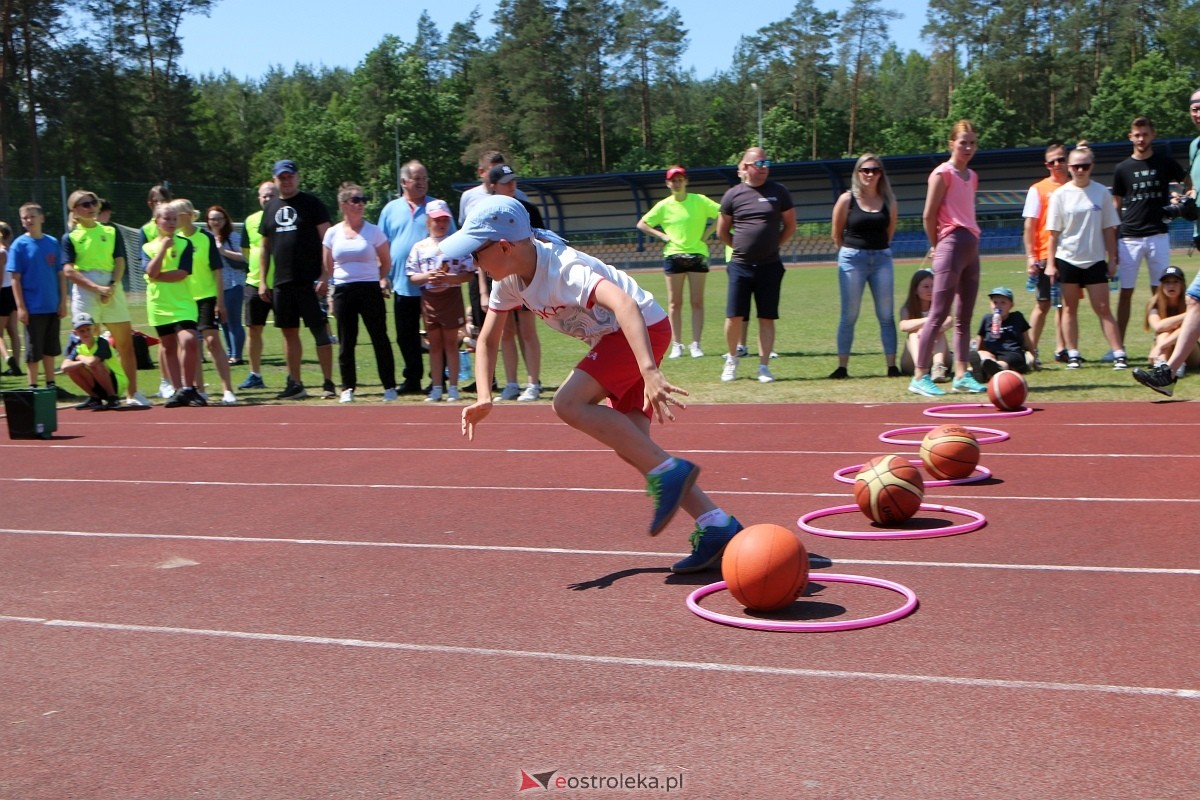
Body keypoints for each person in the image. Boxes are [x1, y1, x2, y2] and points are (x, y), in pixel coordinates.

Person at [450, 196, 742, 573]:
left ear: (504, 246)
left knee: (567, 403)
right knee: (635, 447)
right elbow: (488, 340)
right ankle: (716, 525)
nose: (473, 263)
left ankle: (672, 472)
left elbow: (624, 304)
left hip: (641, 330)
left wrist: (650, 371)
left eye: (476, 253)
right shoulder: (509, 283)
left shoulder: (564, 269)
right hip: (620, 339)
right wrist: (485, 397)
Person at [908, 120, 987, 397]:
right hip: (950, 245)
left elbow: (967, 210)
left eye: (972, 143)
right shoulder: (942, 174)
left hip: (971, 245)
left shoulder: (972, 176)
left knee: (964, 315)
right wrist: (937, 245)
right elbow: (928, 215)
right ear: (951, 143)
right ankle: (920, 375)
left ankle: (962, 374)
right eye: (963, 142)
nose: (967, 147)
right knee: (938, 313)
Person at [60, 189, 149, 407]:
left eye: (93, 203)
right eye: (85, 204)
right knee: (85, 345)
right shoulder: (70, 237)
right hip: (85, 289)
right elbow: (69, 270)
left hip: (111, 287)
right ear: (75, 211)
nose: (91, 208)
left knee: (125, 343)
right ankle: (96, 394)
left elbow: (120, 261)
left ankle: (132, 392)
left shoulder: (111, 231)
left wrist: (111, 286)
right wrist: (95, 287)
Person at [716, 146, 796, 383]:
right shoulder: (733, 194)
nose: (764, 168)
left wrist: (773, 246)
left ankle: (764, 366)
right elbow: (722, 231)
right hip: (740, 264)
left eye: (766, 164)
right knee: (734, 316)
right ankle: (732, 360)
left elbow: (790, 226)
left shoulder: (779, 192)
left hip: (770, 265)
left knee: (767, 317)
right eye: (759, 164)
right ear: (746, 167)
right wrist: (741, 248)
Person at [258, 159, 336, 400]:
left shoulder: (312, 204)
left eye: (290, 176)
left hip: (310, 282)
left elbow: (329, 241)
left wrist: (325, 276)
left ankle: (328, 383)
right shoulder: (270, 208)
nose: (287, 180)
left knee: (319, 331)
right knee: (288, 332)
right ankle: (295, 383)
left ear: (297, 177)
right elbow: (265, 247)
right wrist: (263, 280)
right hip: (282, 283)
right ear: (275, 180)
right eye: (282, 177)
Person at [1045, 141, 1125, 370]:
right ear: (1069, 167)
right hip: (1068, 258)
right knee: (1069, 308)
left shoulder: (1101, 192)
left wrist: (1112, 260)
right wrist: (1051, 264)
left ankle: (1119, 352)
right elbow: (1053, 234)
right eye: (1076, 166)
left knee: (1103, 307)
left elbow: (1109, 229)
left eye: (1085, 166)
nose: (1081, 170)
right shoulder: (1060, 195)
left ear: (1092, 166)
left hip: (1095, 259)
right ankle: (1073, 353)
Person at [1110, 116, 1186, 352]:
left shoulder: (1164, 162)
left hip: (1158, 235)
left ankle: (1162, 343)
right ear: (1130, 137)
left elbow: (1188, 181)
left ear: (1153, 135)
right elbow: (1116, 205)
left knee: (1162, 292)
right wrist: (1114, 238)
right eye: (1137, 134)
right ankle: (1118, 346)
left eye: (1145, 134)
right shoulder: (1122, 168)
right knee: (1126, 293)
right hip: (1130, 236)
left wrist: (1183, 199)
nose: (1141, 138)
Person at [322, 181, 397, 403]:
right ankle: (347, 387)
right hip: (344, 290)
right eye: (356, 200)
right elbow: (328, 264)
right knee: (347, 340)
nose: (361, 204)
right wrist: (336, 286)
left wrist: (376, 278)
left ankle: (389, 386)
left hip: (369, 289)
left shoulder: (374, 232)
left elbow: (385, 261)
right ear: (344, 204)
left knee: (379, 337)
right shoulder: (332, 233)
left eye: (363, 200)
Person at [636, 165, 720, 361]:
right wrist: (661, 235)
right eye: (673, 180)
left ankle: (696, 344)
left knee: (697, 302)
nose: (677, 183)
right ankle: (677, 344)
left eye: (680, 179)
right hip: (674, 256)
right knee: (675, 303)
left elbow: (723, 213)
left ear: (686, 181)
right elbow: (642, 224)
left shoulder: (699, 200)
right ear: (668, 183)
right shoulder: (664, 205)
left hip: (698, 254)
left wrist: (707, 234)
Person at [379, 159, 448, 394]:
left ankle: (437, 379)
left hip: (434, 286)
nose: (421, 183)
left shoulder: (436, 207)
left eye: (424, 179)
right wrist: (383, 276)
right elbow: (382, 244)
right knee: (405, 335)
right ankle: (412, 378)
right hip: (402, 284)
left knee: (437, 335)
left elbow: (453, 239)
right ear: (403, 182)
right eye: (417, 179)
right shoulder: (390, 209)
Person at [829, 153, 899, 379]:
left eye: (875, 170)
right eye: (865, 170)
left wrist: (877, 250)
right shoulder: (846, 200)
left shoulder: (889, 201)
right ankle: (842, 367)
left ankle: (891, 366)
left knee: (886, 315)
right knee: (849, 315)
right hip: (852, 258)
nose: (870, 174)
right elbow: (836, 233)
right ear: (857, 173)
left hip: (881, 258)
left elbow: (889, 234)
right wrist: (851, 251)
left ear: (881, 174)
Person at [406, 199, 474, 402]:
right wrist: (429, 277)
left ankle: (453, 387)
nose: (441, 223)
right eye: (437, 220)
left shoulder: (457, 244)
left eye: (445, 219)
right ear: (428, 221)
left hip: (451, 297)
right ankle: (436, 387)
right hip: (429, 299)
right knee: (434, 345)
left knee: (451, 344)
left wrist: (449, 278)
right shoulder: (420, 247)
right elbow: (412, 276)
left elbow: (468, 273)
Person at [171, 198, 237, 405]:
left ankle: (227, 389)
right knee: (191, 345)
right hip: (183, 299)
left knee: (212, 341)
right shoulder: (173, 239)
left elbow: (217, 271)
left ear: (189, 215)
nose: (174, 220)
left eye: (177, 215)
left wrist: (220, 301)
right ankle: (198, 389)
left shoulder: (205, 238)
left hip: (206, 296)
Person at [487, 163, 543, 401]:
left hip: (526, 277)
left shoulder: (529, 210)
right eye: (505, 182)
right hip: (500, 278)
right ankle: (511, 384)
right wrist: (482, 290)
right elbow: (480, 251)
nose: (511, 185)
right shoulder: (485, 213)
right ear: (493, 186)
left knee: (527, 331)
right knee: (505, 332)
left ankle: (533, 384)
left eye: (513, 181)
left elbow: (543, 243)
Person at [141, 203, 204, 407]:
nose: (171, 223)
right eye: (166, 219)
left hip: (183, 303)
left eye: (174, 219)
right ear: (156, 221)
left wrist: (157, 276)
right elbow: (150, 271)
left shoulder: (185, 244)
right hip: (159, 304)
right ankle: (178, 390)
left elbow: (182, 273)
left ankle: (189, 387)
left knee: (189, 340)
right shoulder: (147, 247)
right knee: (168, 346)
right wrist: (162, 250)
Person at [8, 203, 69, 396]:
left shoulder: (51, 242)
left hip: (52, 304)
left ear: (41, 218)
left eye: (32, 216)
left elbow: (60, 274)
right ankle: (33, 386)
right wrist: (21, 307)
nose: (29, 220)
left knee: (50, 348)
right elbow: (15, 278)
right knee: (33, 350)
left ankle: (51, 385)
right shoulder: (19, 245)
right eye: (25, 218)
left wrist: (62, 301)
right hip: (33, 307)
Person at [1022, 143, 1070, 365]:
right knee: (1043, 304)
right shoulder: (1038, 189)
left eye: (1061, 159)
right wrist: (1031, 256)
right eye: (1053, 161)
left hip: (1071, 254)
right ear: (1047, 165)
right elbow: (1029, 226)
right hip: (1044, 254)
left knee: (1065, 304)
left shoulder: (1075, 186)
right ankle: (1030, 348)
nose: (1057, 165)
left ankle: (1063, 349)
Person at [239, 181, 279, 390]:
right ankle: (255, 374)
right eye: (263, 196)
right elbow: (246, 251)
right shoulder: (250, 220)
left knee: (288, 330)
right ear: (259, 198)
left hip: (282, 282)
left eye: (271, 195)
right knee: (254, 329)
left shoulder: (286, 215)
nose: (267, 199)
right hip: (255, 283)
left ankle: (293, 377)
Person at [206, 205, 247, 367]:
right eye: (212, 219)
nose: (216, 222)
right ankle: (230, 353)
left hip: (234, 284)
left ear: (225, 220)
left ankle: (237, 356)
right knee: (222, 322)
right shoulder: (206, 238)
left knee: (233, 321)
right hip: (214, 287)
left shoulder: (234, 237)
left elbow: (245, 258)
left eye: (219, 218)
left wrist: (223, 251)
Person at [61, 311, 125, 410]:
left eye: (88, 329)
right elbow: (64, 367)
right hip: (97, 381)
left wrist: (81, 357)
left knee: (96, 365)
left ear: (94, 329)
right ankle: (95, 398)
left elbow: (93, 362)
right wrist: (82, 362)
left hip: (117, 383)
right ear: (75, 333)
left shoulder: (101, 342)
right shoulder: (78, 347)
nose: (86, 333)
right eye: (81, 331)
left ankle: (113, 398)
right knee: (72, 369)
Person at [1142, 265, 1199, 374]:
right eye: (1167, 282)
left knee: (1186, 330)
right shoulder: (1155, 303)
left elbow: (1186, 330)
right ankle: (1163, 365)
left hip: (1192, 351)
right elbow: (1158, 326)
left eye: (1175, 282)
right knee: (1163, 333)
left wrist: (1160, 346)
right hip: (1165, 345)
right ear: (1161, 285)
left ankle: (1171, 365)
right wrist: (1190, 315)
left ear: (1182, 285)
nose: (1171, 285)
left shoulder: (1192, 303)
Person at [971, 287, 1034, 379]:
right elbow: (980, 340)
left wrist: (1033, 357)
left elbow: (1027, 341)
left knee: (1006, 360)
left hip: (1012, 353)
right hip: (992, 353)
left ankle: (996, 369)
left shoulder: (1017, 317)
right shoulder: (987, 319)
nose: (998, 305)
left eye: (1003, 302)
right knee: (983, 355)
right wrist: (979, 352)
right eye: (995, 302)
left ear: (1011, 305)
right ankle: (985, 369)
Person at [898, 268, 950, 379]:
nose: (931, 290)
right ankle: (920, 370)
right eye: (926, 287)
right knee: (913, 333)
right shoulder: (907, 309)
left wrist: (929, 329)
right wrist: (929, 321)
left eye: (933, 286)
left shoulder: (941, 306)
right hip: (911, 364)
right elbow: (903, 326)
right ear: (915, 290)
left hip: (939, 356)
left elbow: (949, 322)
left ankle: (938, 368)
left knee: (939, 331)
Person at [0, 220, 22, 376]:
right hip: (12, 293)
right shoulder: (12, 250)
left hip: (2, 293)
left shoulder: (0, 252)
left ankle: (7, 358)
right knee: (13, 331)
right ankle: (17, 365)